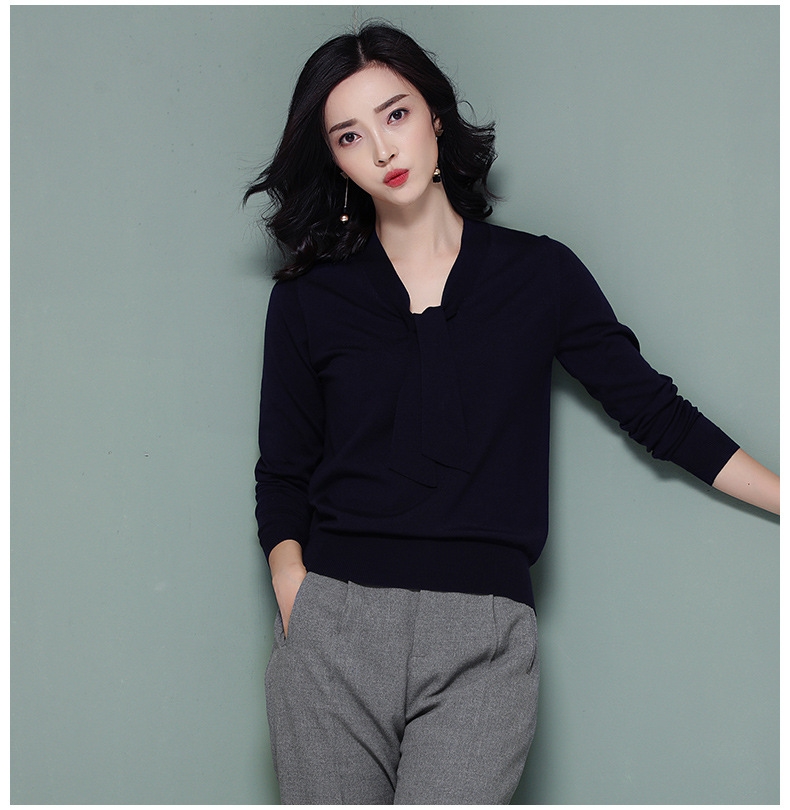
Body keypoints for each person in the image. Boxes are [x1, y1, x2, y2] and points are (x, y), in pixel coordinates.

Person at [244, 22, 779, 805]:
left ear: (434, 116)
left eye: (396, 115)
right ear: (335, 159)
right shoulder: (308, 299)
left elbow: (656, 412)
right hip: (334, 629)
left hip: (483, 635)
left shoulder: (540, 276)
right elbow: (284, 471)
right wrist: (295, 591)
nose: (383, 150)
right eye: (350, 136)